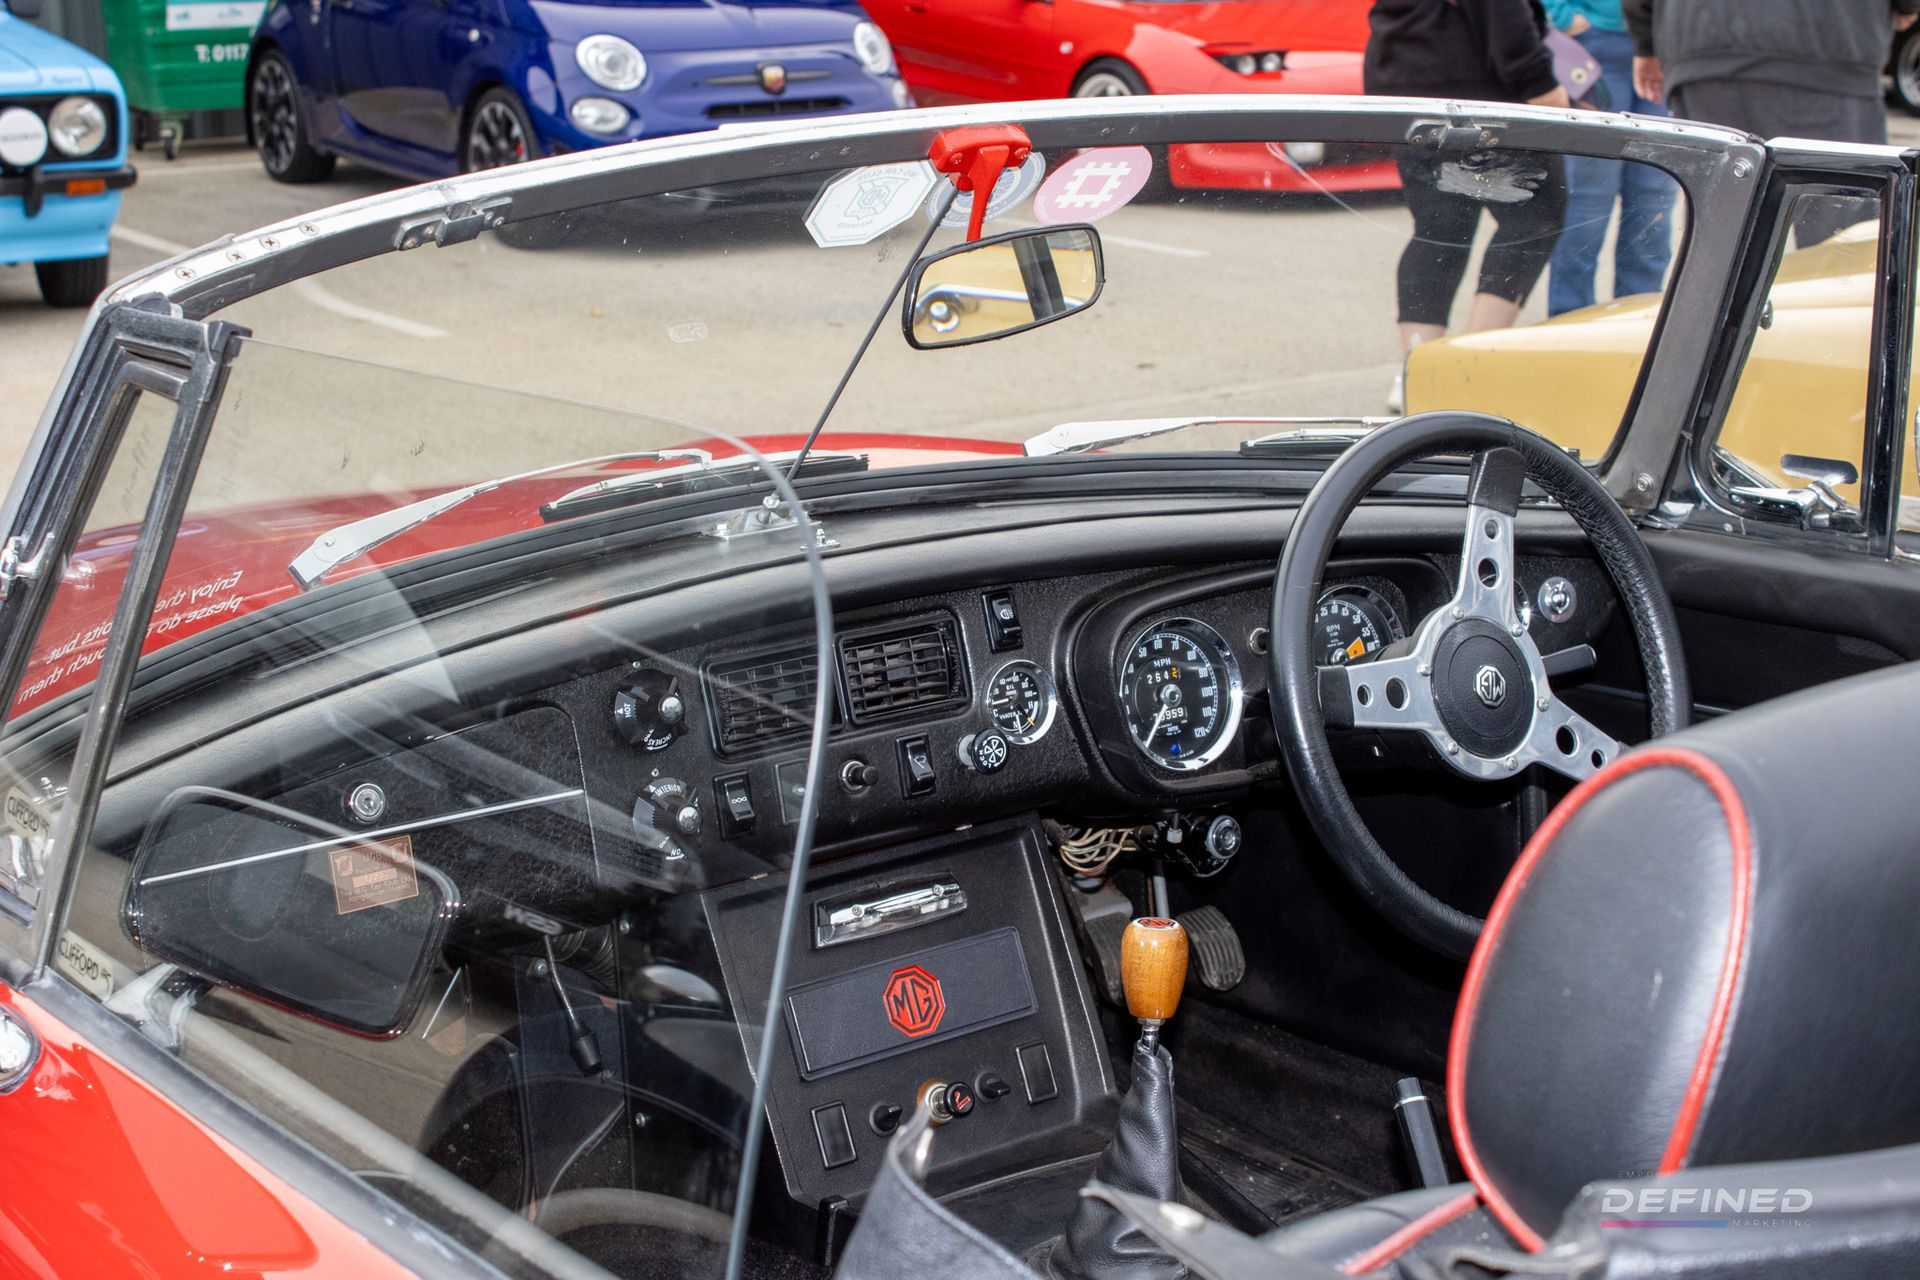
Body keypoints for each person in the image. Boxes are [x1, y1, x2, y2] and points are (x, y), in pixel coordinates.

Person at [1367, 0, 1572, 412]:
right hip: (1478, 99)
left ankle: (1417, 373)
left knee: (1440, 225)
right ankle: (1469, 370)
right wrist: (1545, 90)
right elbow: (1506, 22)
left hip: (1405, 87)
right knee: (1536, 214)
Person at [1625, 0, 1919, 151]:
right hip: (1828, 50)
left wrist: (1647, 41)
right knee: (1838, 231)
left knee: (1723, 229)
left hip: (1702, 46)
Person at [1543, 0, 1677, 315]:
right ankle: (1570, 315)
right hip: (1594, 46)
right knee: (1589, 197)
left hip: (1662, 43)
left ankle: (1639, 314)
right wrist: (1561, 16)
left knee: (1655, 196)